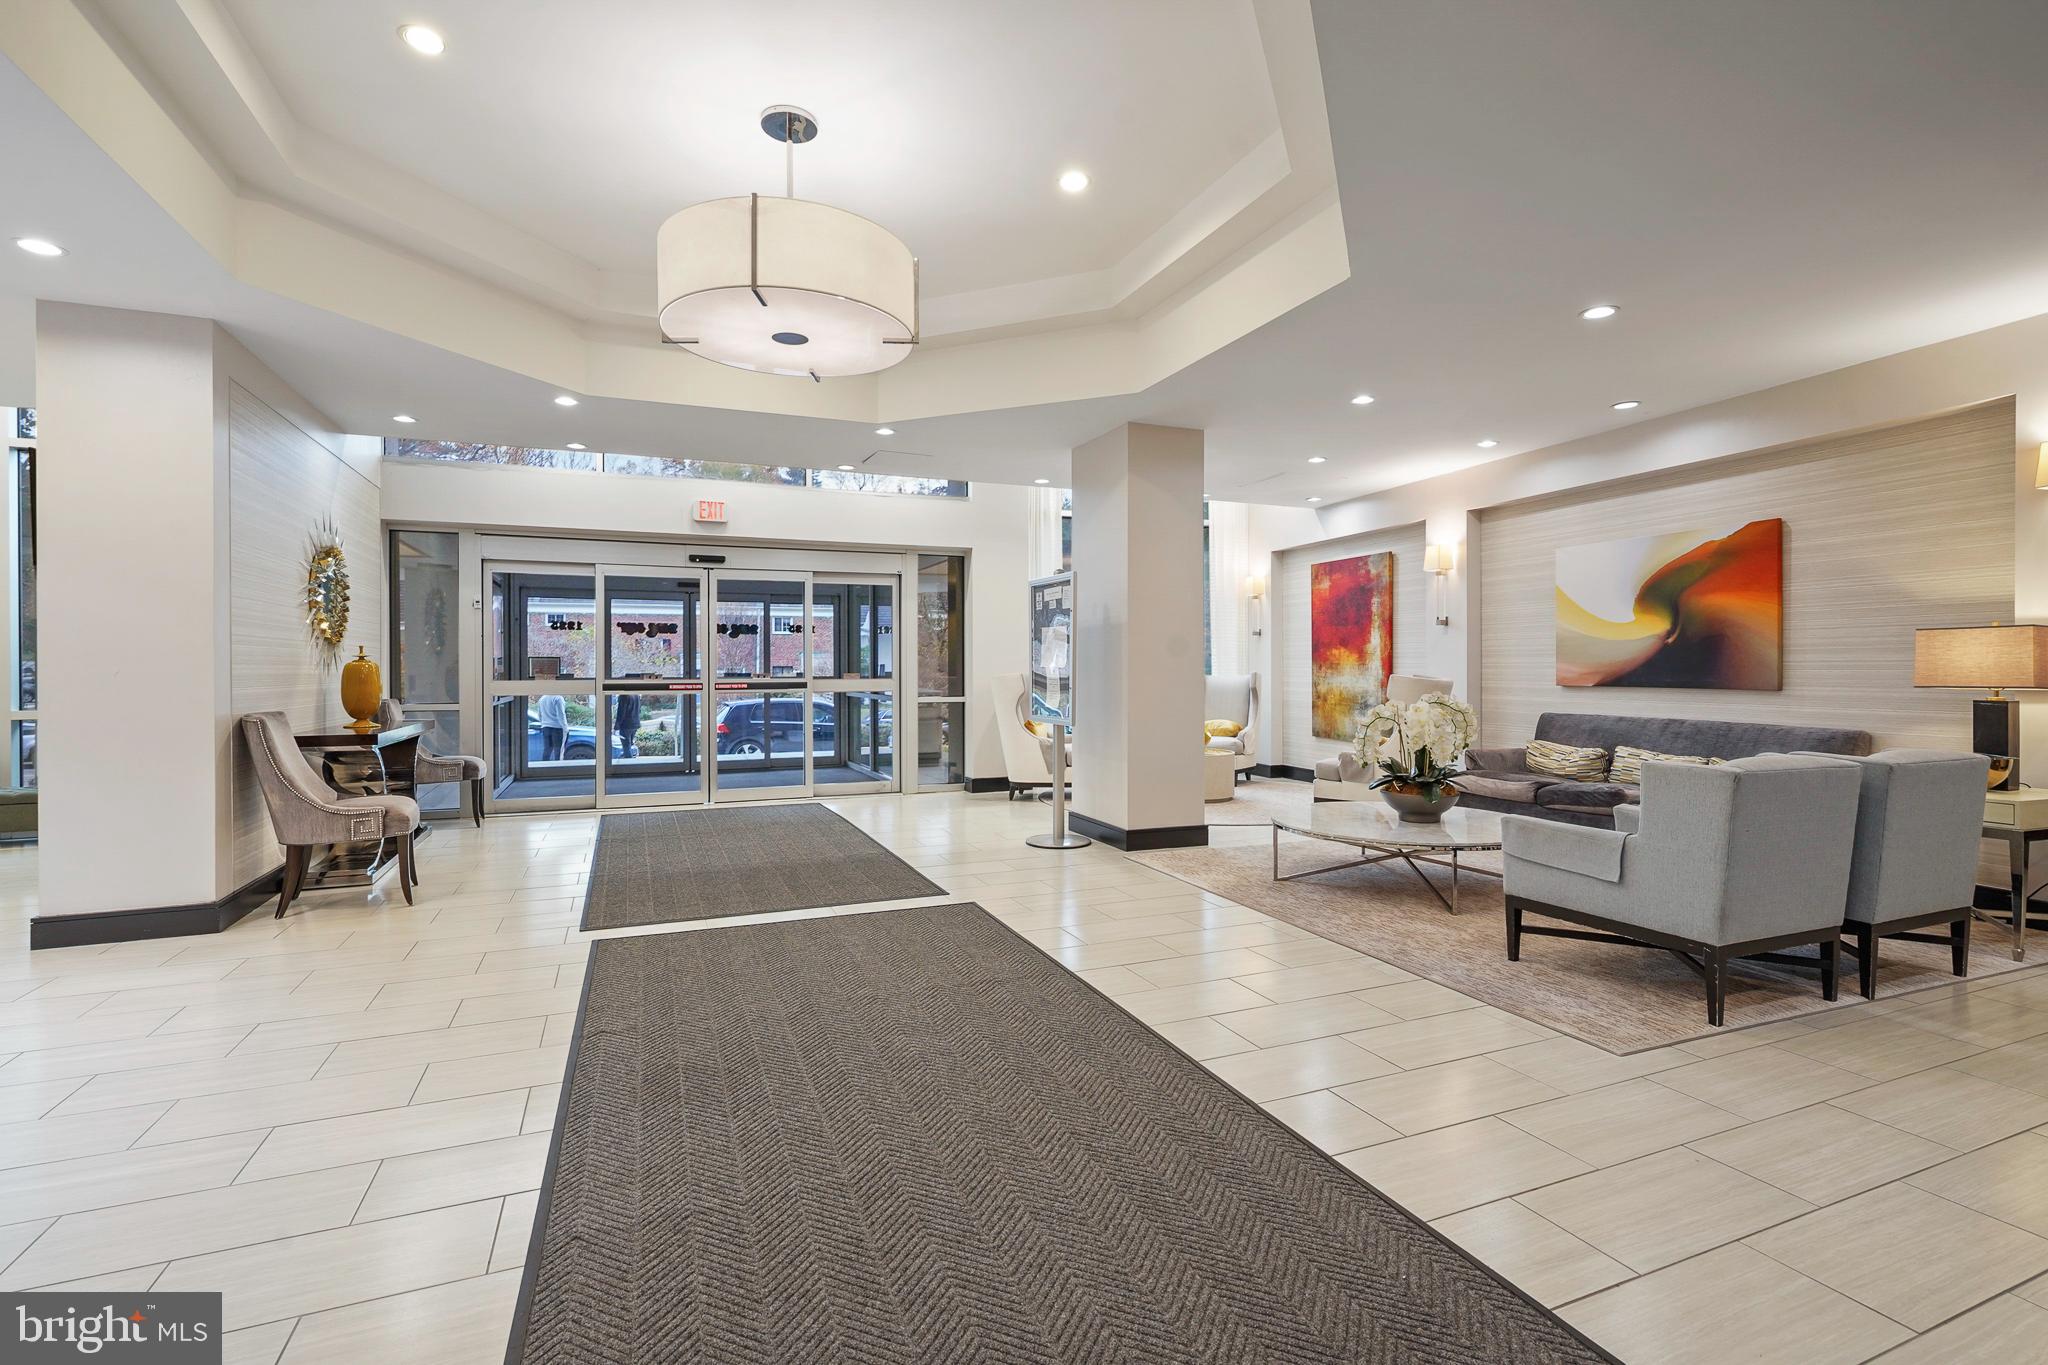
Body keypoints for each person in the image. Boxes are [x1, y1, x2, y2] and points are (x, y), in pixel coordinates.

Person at [537, 692, 567, 762]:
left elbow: (540, 714)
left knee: (547, 750)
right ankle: (558, 768)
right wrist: (565, 727)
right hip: (557, 728)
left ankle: (544, 768)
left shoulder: (542, 698)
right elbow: (561, 714)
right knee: (559, 751)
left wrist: (543, 723)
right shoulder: (558, 698)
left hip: (546, 727)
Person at [614, 692, 641, 759]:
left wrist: (616, 726)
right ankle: (629, 757)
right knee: (629, 744)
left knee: (626, 746)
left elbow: (621, 712)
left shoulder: (624, 696)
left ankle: (628, 762)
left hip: (626, 725)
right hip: (635, 723)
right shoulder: (636, 695)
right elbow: (638, 710)